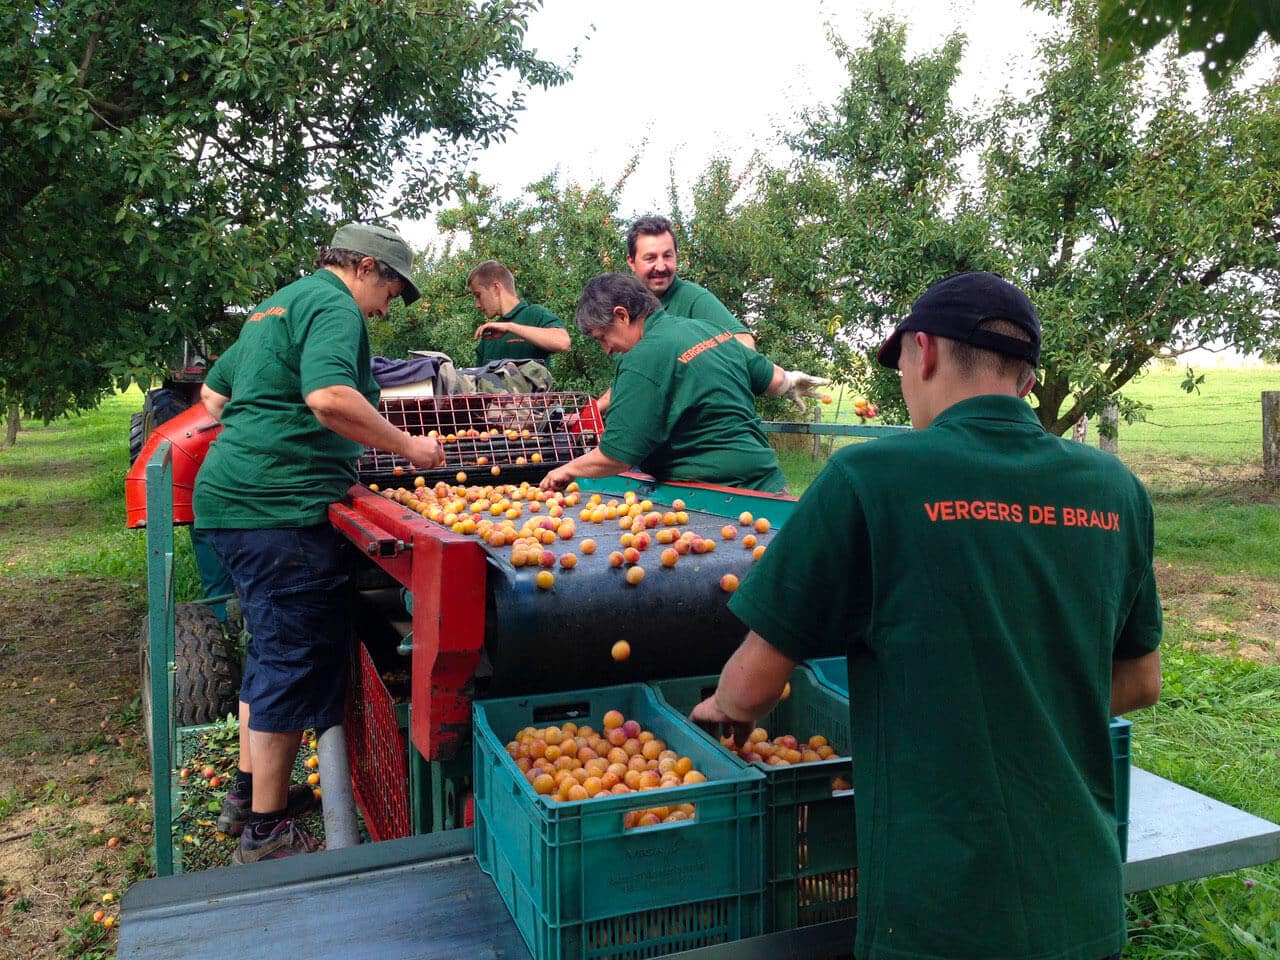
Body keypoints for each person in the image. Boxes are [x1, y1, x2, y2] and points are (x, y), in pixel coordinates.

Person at [692, 272, 1163, 960]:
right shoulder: (1115, 490)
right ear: (1027, 382)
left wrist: (718, 711)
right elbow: (1141, 682)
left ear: (925, 353)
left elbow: (755, 688)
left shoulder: (872, 479)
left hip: (937, 918)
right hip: (1081, 905)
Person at [193, 223, 445, 864]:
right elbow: (330, 396)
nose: (387, 308)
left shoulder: (277, 304)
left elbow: (214, 396)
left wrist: (268, 436)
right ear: (365, 266)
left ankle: (248, 796)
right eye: (391, 289)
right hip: (277, 512)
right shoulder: (335, 306)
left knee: (269, 648)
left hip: (231, 501)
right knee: (291, 658)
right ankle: (267, 834)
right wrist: (410, 447)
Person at [540, 274, 824, 494]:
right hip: (770, 486)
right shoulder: (707, 329)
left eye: (602, 337)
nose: (607, 349)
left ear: (622, 315)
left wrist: (567, 470)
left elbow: (616, 456)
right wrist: (790, 382)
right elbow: (772, 379)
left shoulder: (642, 357)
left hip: (717, 498)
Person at [466, 259, 570, 366]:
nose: (477, 305)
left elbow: (563, 342)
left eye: (478, 295)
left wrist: (510, 327)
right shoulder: (490, 335)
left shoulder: (533, 314)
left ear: (496, 288)